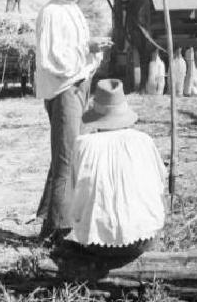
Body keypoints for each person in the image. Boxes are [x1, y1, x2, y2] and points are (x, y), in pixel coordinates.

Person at [35, 0, 111, 243]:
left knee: (67, 155)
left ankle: (48, 219)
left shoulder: (72, 9)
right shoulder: (52, 12)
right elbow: (52, 58)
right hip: (64, 87)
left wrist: (93, 49)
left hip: (78, 83)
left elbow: (77, 50)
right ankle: (59, 229)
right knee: (67, 159)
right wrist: (87, 47)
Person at [68, 78, 166, 250]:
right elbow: (160, 185)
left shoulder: (83, 144)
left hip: (96, 244)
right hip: (143, 239)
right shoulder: (143, 141)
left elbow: (74, 195)